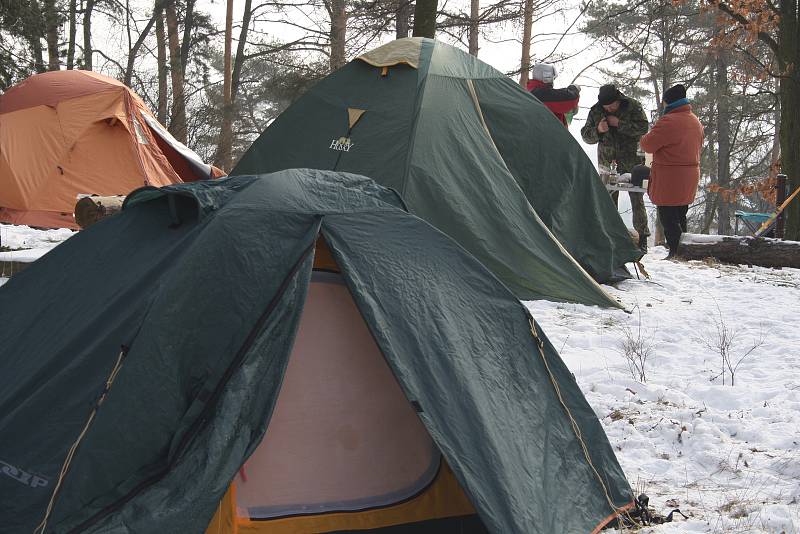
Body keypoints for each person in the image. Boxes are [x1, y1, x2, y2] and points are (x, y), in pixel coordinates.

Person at [581, 84, 650, 253]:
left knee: (637, 199)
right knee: (608, 200)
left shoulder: (633, 106)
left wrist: (620, 123)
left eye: (612, 106)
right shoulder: (596, 111)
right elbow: (586, 136)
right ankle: (609, 236)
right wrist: (598, 130)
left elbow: (643, 128)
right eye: (607, 107)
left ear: (619, 99)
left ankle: (642, 238)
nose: (610, 109)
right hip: (607, 162)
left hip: (632, 161)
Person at [639, 84, 704, 259]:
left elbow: (647, 144)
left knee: (668, 216)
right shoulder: (694, 120)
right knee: (680, 214)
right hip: (689, 175)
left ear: (669, 102)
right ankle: (684, 250)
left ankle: (676, 251)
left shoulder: (669, 121)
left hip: (670, 176)